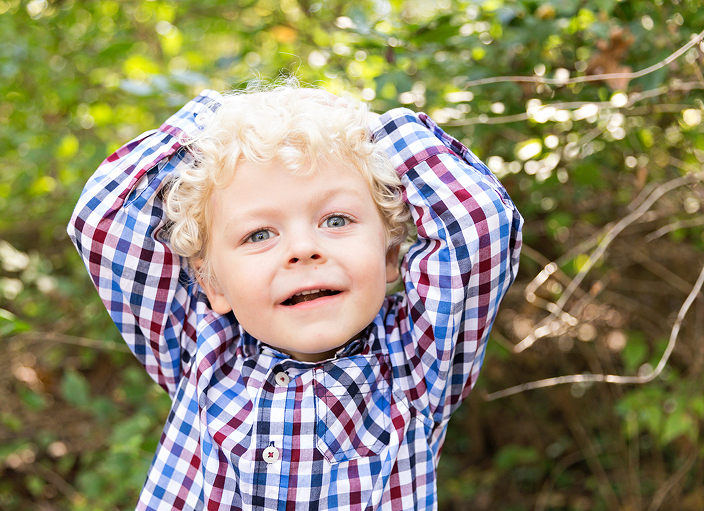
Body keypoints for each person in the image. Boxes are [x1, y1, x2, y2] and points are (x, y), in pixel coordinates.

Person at [68, 82, 522, 511]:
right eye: (259, 233)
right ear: (212, 283)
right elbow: (103, 221)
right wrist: (214, 117)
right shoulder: (198, 349)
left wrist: (372, 129)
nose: (304, 249)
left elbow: (479, 226)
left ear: (390, 254)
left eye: (337, 220)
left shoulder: (416, 363)